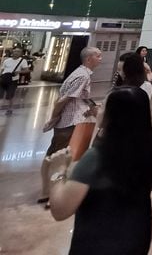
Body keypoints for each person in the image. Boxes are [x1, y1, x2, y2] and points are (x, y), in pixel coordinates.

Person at [46, 86, 152, 254]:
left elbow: (61, 210)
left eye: (103, 105)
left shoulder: (96, 156)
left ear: (113, 116)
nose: (98, 109)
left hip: (97, 241)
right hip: (138, 233)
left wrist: (58, 171)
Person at [39, 47, 102, 206]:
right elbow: (62, 100)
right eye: (98, 56)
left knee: (58, 155)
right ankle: (51, 192)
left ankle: (50, 191)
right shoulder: (82, 76)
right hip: (70, 122)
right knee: (59, 157)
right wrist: (54, 117)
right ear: (89, 59)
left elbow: (79, 98)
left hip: (73, 120)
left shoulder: (82, 74)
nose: (101, 59)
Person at [1, 47, 29, 115]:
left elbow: (27, 70)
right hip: (4, 78)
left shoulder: (22, 61)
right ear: (12, 52)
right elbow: (2, 69)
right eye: (15, 51)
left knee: (10, 95)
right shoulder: (7, 60)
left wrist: (18, 72)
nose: (16, 53)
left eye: (18, 51)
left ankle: (10, 109)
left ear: (21, 53)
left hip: (13, 80)